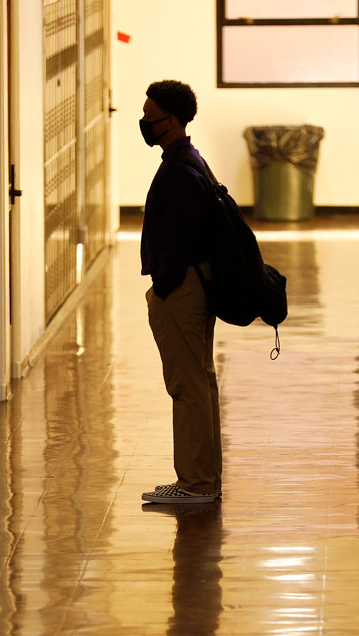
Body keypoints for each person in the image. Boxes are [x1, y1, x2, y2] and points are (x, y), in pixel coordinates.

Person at [138, 80, 222, 504]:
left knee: (187, 386)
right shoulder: (187, 159)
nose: (145, 123)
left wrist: (164, 286)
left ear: (170, 122)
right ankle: (202, 477)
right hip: (190, 285)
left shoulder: (181, 169)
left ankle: (196, 484)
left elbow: (183, 237)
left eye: (150, 118)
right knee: (199, 383)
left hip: (182, 289)